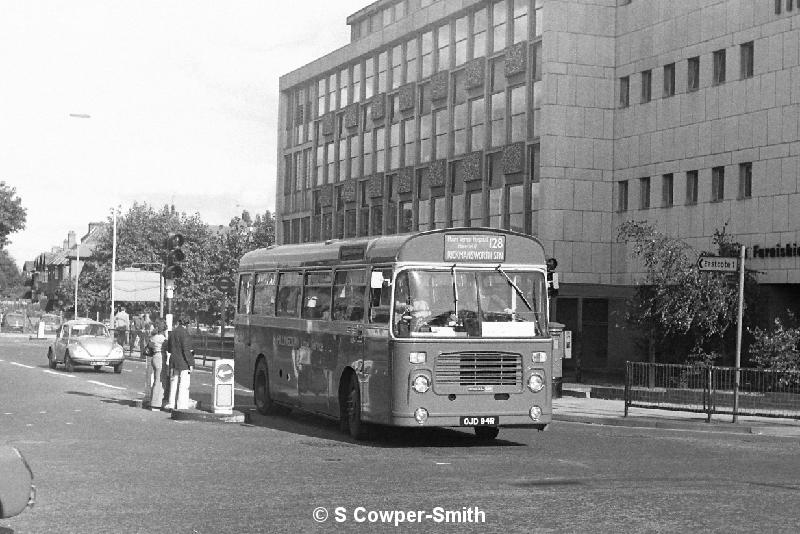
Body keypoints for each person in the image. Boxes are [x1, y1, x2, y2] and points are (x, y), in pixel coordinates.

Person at [165, 317, 194, 411]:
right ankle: (181, 405)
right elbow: (186, 350)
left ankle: (171, 403)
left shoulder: (173, 332)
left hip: (173, 361)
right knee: (183, 384)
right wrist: (191, 363)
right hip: (183, 363)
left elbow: (169, 349)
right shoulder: (185, 334)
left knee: (173, 383)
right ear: (187, 324)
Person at [146, 320, 168, 411]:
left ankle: (153, 400)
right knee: (160, 381)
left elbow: (149, 346)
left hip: (154, 357)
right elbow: (168, 347)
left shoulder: (153, 337)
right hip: (160, 357)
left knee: (156, 380)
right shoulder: (162, 338)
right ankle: (156, 403)